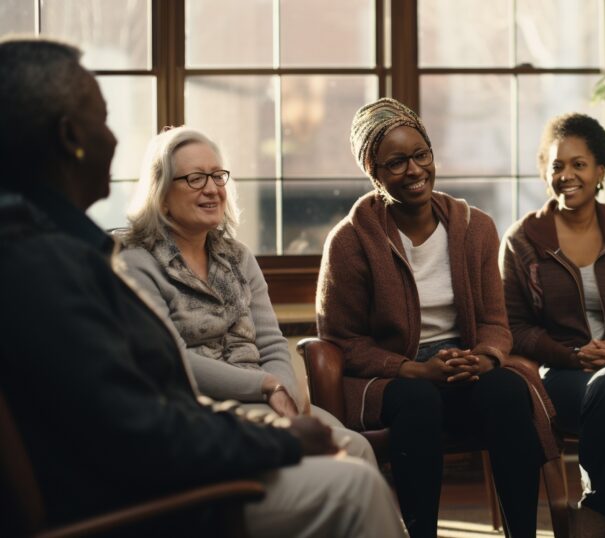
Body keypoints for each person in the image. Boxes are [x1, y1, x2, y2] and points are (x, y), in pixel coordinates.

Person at [0, 38, 404, 537]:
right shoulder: (46, 267)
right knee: (353, 486)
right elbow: (140, 428)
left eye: (218, 176)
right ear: (70, 138)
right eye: (103, 120)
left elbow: (153, 402)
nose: (112, 138)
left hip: (174, 456)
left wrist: (279, 402)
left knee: (347, 455)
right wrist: (278, 439)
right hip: (151, 499)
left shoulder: (57, 250)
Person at [317, 97, 553, 538]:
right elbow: (343, 341)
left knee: (506, 390)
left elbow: (495, 322)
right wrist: (413, 369)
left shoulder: (475, 226)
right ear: (374, 172)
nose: (414, 170)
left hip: (462, 365)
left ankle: (523, 533)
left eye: (420, 155)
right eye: (396, 163)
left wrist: (483, 358)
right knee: (418, 401)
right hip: (395, 377)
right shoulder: (350, 241)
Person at [117, 126, 374, 462]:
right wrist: (267, 386)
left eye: (217, 176)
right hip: (205, 410)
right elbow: (172, 360)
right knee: (344, 454)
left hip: (268, 398)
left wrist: (285, 397)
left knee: (356, 448)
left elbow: (271, 343)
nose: (211, 189)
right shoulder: (137, 262)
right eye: (195, 178)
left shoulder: (238, 257)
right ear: (162, 195)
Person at [500, 112, 605, 535]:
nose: (567, 175)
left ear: (600, 171)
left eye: (579, 164)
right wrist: (570, 355)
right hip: (563, 371)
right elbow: (514, 325)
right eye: (557, 165)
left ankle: (598, 508)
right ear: (545, 172)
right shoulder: (523, 240)